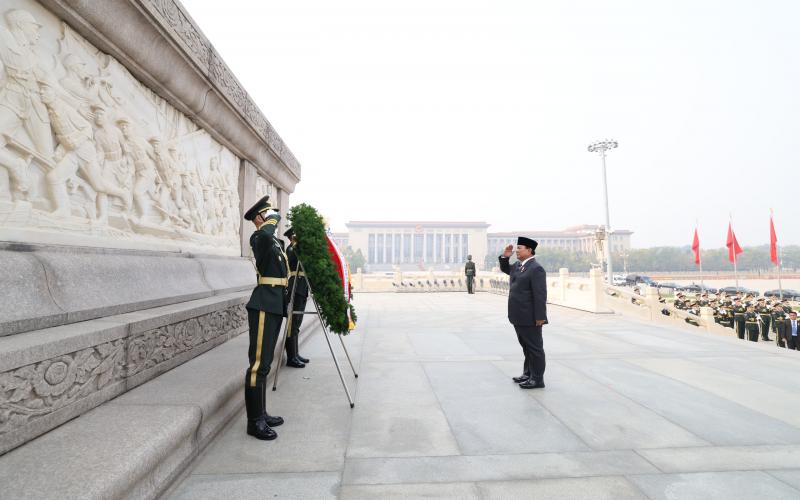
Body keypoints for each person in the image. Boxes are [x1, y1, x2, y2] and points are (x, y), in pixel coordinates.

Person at [242, 195, 287, 441]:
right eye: (269, 214)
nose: (274, 219)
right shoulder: (259, 237)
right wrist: (270, 222)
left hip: (274, 304)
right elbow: (267, 235)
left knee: (266, 363)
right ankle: (254, 421)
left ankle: (262, 413)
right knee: (258, 364)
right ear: (260, 218)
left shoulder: (275, 243)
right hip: (263, 305)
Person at [499, 237, 547, 389]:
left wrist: (540, 317)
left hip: (530, 317)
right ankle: (528, 374)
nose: (516, 251)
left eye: (519, 248)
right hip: (518, 316)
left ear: (529, 250)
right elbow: (507, 269)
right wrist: (505, 257)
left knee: (535, 349)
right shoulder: (519, 265)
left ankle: (538, 379)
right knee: (526, 347)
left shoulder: (536, 268)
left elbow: (540, 295)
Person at [284, 227, 310, 368]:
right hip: (295, 287)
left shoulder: (296, 248)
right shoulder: (291, 249)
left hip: (302, 287)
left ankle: (295, 353)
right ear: (292, 237)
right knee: (292, 324)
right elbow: (297, 258)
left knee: (297, 323)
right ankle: (291, 357)